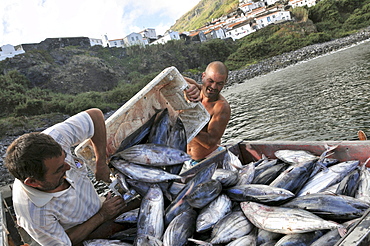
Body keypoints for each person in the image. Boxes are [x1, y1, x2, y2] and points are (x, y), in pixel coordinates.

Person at [5, 108, 128, 246]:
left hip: (100, 207)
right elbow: (64, 243)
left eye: (65, 159)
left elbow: (95, 116)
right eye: (59, 169)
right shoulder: (34, 215)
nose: (68, 167)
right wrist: (102, 216)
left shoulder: (54, 139)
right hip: (84, 236)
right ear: (33, 182)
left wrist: (100, 163)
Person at [184, 61, 231, 166]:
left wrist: (186, 123)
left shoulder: (221, 107)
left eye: (219, 83)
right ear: (203, 76)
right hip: (186, 159)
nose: (213, 87)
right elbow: (170, 76)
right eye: (210, 81)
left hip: (210, 159)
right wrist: (188, 87)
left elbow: (210, 143)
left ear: (225, 82)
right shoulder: (195, 88)